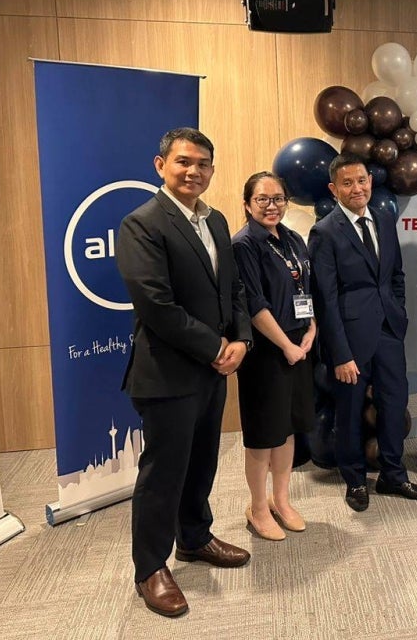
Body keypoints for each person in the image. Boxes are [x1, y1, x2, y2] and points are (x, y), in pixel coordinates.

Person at [116, 127, 253, 618]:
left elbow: (232, 288)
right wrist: (214, 346)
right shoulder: (142, 223)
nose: (193, 171)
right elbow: (155, 303)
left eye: (203, 164)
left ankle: (193, 538)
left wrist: (241, 339)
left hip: (213, 368)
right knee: (163, 473)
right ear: (161, 166)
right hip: (168, 371)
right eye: (183, 162)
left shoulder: (215, 220)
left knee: (202, 462)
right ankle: (150, 567)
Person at [309, 153, 417, 511]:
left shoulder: (382, 217)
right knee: (348, 413)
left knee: (394, 404)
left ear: (370, 182)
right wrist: (340, 353)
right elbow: (326, 299)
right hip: (349, 339)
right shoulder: (325, 231)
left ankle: (395, 474)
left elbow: (395, 275)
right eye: (347, 183)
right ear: (334, 189)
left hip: (388, 332)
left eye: (361, 180)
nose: (357, 188)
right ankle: (355, 480)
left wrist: (399, 314)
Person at [232, 172, 315, 541]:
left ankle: (282, 501)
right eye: (263, 199)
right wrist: (286, 345)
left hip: (299, 347)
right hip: (267, 354)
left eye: (278, 198)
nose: (272, 206)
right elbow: (254, 304)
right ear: (248, 203)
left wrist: (311, 328)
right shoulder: (244, 245)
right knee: (264, 436)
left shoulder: (294, 239)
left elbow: (305, 289)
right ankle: (258, 507)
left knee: (288, 429)